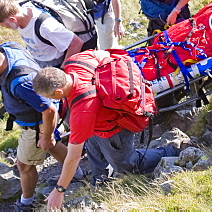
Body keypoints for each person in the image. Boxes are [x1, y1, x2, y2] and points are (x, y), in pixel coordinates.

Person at [33, 52, 175, 211]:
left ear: (58, 92)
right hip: (98, 123)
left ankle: (169, 152)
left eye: (51, 97)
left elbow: (73, 157)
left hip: (115, 129)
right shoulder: (75, 61)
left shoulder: (82, 110)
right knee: (94, 147)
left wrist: (59, 190)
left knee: (126, 165)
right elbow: (105, 54)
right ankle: (99, 180)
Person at [0, 43, 72, 212]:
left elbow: (48, 109)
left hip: (36, 124)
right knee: (50, 145)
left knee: (24, 165)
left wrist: (45, 135)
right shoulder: (9, 48)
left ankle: (26, 203)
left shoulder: (21, 83)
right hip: (36, 120)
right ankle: (76, 174)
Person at [0, 0, 88, 68]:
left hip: (54, 63)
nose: (4, 28)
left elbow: (76, 43)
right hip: (37, 59)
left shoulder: (46, 27)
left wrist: (64, 71)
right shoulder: (19, 8)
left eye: (3, 25)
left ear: (13, 19)